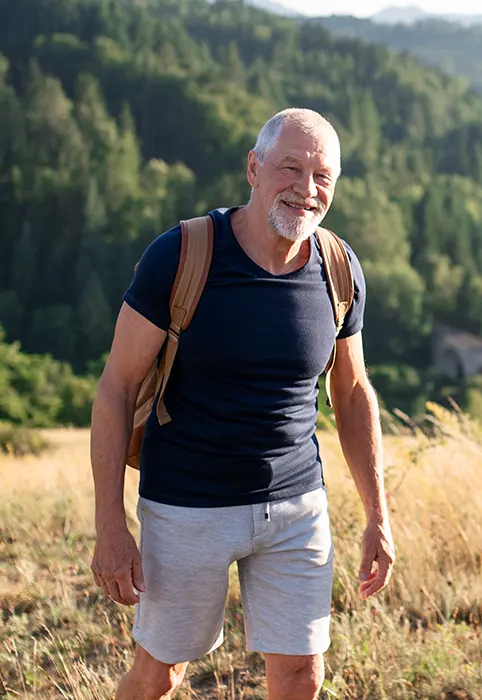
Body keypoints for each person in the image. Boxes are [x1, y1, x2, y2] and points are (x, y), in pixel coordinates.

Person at [89, 108, 395, 700]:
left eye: (322, 176)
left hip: (297, 506)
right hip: (187, 507)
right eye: (290, 168)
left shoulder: (338, 267)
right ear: (253, 169)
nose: (307, 190)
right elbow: (116, 388)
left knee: (302, 675)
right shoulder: (180, 255)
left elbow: (353, 392)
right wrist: (110, 524)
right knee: (160, 674)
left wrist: (377, 515)